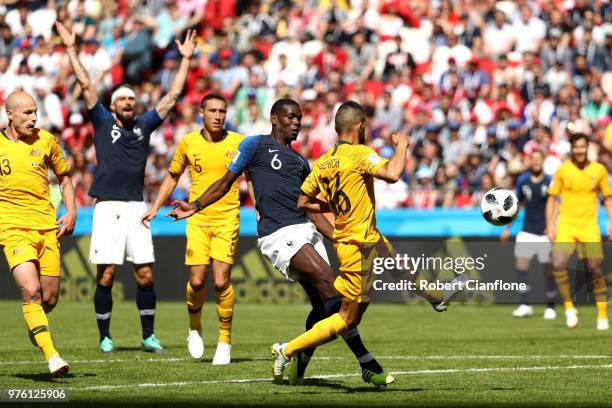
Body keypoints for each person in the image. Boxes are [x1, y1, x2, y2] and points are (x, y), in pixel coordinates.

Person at [167, 99, 392, 386]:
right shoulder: (255, 145)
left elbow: (311, 208)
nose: (296, 122)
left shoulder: (300, 162)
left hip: (305, 231)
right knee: (332, 289)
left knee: (325, 305)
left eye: (299, 118)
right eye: (290, 117)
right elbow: (226, 182)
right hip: (279, 234)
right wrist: (195, 205)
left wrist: (338, 237)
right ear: (274, 119)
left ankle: (300, 360)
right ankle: (365, 361)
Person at [272, 101, 466, 383]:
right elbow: (393, 173)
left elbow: (303, 201)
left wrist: (339, 210)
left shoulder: (324, 162)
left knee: (400, 266)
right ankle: (287, 350)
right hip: (358, 245)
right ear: (360, 126)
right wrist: (402, 146)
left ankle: (436, 296)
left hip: (363, 238)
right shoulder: (361, 154)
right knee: (348, 318)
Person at [56, 22, 197, 352]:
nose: (130, 102)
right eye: (124, 99)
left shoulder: (145, 125)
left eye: (133, 99)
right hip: (107, 206)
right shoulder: (103, 121)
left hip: (136, 207)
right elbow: (86, 84)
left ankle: (148, 335)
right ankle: (105, 336)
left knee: (145, 274)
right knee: (106, 275)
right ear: (114, 104)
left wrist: (186, 59)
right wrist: (73, 50)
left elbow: (172, 96)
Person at [141, 94, 243, 364]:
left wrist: (258, 206)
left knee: (220, 281)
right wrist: (155, 206)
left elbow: (252, 177)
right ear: (202, 112)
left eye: (222, 110)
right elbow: (173, 176)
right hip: (196, 218)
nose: (218, 116)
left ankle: (224, 341)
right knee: (197, 281)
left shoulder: (238, 142)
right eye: (212, 110)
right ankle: (194, 327)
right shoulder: (188, 142)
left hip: (227, 218)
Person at [0, 91, 76, 375]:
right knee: (30, 291)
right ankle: (52, 355)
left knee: (49, 299)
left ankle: (36, 324)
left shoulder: (46, 140)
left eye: (36, 113)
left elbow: (65, 178)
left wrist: (70, 211)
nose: (34, 119)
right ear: (10, 115)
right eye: (27, 114)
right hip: (12, 229)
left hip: (48, 228)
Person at [546, 133, 612, 330]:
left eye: (583, 147)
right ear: (572, 149)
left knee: (596, 268)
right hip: (566, 223)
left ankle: (602, 316)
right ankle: (569, 307)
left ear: (587, 147)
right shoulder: (562, 170)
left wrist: (611, 220)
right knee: (557, 264)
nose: (580, 150)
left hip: (588, 225)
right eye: (576, 147)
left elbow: (608, 197)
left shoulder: (598, 170)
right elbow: (552, 198)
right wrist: (550, 225)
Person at [502, 150, 557, 319]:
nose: (536, 162)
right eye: (533, 159)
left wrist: (553, 227)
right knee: (521, 266)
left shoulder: (550, 181)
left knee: (548, 270)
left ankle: (551, 307)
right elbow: (516, 205)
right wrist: (507, 227)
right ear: (529, 161)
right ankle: (525, 304)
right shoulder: (523, 181)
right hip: (527, 231)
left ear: (543, 161)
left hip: (544, 232)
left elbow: (556, 205)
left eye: (539, 159)